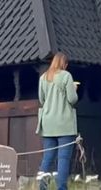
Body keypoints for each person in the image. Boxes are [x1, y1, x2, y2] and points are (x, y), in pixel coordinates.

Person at [36, 53, 79, 190]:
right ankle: (61, 188)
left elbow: (42, 100)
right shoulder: (66, 76)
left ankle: (42, 187)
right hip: (64, 123)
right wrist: (74, 89)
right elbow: (72, 99)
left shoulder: (43, 78)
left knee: (47, 158)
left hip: (48, 123)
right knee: (63, 159)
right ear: (64, 64)